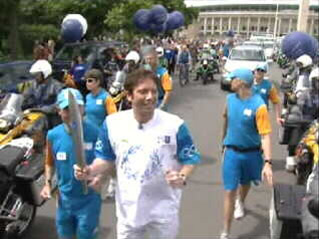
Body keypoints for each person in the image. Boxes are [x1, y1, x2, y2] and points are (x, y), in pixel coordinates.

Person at [74, 68, 200, 239]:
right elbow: (105, 158)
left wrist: (182, 176)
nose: (150, 97)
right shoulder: (113, 124)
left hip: (163, 210)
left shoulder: (174, 125)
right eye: (143, 92)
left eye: (154, 91)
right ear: (129, 96)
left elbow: (190, 158)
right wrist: (90, 170)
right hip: (129, 210)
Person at [40, 88, 102, 239]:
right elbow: (49, 162)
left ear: (83, 108)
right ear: (59, 111)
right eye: (67, 109)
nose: (73, 113)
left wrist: (99, 178)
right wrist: (48, 183)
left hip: (89, 199)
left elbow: (105, 162)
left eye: (77, 107)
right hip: (64, 200)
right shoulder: (53, 135)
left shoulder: (96, 132)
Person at [221, 68, 273, 239]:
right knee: (229, 191)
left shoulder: (259, 106)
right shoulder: (229, 99)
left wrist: (268, 162)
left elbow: (265, 135)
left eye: (233, 79)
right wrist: (223, 145)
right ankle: (226, 232)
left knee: (246, 183)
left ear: (242, 82)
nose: (230, 82)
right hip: (232, 152)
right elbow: (226, 121)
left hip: (251, 153)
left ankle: (241, 201)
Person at [84, 69, 118, 200]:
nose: (87, 83)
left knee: (106, 162)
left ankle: (113, 184)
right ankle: (92, 188)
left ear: (98, 82)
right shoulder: (87, 97)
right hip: (89, 136)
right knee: (90, 161)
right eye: (86, 80)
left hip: (103, 136)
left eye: (90, 80)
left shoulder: (106, 98)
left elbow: (113, 117)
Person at [23, 59, 63, 128]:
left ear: (45, 73)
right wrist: (22, 102)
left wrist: (43, 109)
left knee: (55, 124)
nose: (35, 77)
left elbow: (59, 104)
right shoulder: (33, 84)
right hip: (37, 115)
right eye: (35, 75)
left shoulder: (56, 86)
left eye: (37, 74)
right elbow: (25, 96)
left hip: (51, 117)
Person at [142, 46, 172, 110]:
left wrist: (162, 104)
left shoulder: (163, 72)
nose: (149, 61)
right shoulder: (143, 70)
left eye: (151, 59)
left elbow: (168, 91)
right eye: (147, 59)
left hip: (159, 101)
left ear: (156, 59)